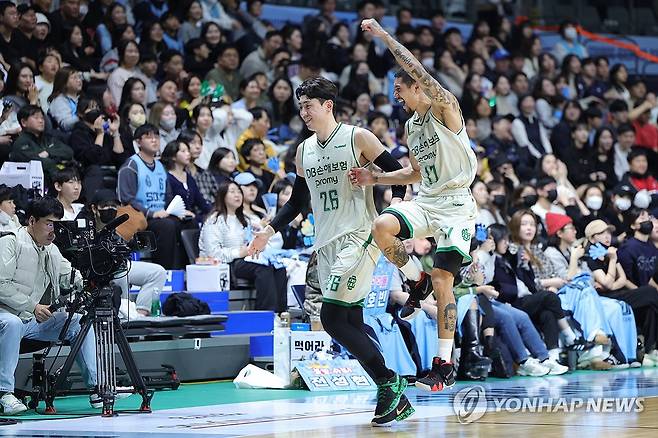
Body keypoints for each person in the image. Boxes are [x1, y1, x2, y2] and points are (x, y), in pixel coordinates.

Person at [248, 77, 414, 426]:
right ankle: (392, 397)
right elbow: (297, 202)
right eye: (301, 106)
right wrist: (269, 230)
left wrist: (394, 212)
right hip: (325, 243)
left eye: (309, 105)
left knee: (332, 318)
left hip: (359, 236)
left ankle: (389, 381)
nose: (303, 112)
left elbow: (399, 174)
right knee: (350, 320)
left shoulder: (358, 137)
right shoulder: (304, 151)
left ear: (327, 105)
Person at [348, 18, 487, 393]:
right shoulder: (411, 127)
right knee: (382, 227)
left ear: (417, 88)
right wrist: (374, 179)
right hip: (427, 199)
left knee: (446, 282)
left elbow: (418, 68)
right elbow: (415, 174)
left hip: (457, 205)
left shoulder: (445, 108)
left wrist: (383, 36)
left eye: (400, 89)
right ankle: (415, 278)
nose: (397, 96)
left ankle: (443, 364)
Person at [0, 197, 101, 414]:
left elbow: (69, 276)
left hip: (32, 320)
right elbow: (0, 284)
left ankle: (97, 389)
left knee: (79, 322)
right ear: (32, 221)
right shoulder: (11, 241)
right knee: (12, 323)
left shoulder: (51, 249)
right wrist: (33, 305)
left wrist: (92, 273)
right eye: (48, 223)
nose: (52, 230)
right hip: (6, 315)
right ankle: (4, 394)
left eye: (56, 224)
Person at [199, 181, 287, 312]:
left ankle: (281, 314)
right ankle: (266, 315)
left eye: (239, 192)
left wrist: (262, 233)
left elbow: (269, 239)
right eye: (232, 191)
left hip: (248, 258)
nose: (237, 195)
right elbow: (213, 253)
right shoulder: (214, 220)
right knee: (263, 270)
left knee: (279, 267)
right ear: (222, 195)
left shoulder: (246, 218)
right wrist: (240, 252)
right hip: (228, 263)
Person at [85, 190, 168, 317]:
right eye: (106, 206)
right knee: (121, 275)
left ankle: (140, 314)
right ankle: (123, 314)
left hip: (117, 264)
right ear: (94, 208)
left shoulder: (115, 224)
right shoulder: (84, 224)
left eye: (113, 206)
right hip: (94, 270)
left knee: (158, 273)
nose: (110, 209)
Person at [117, 123, 188, 269]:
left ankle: (184, 271)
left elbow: (168, 196)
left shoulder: (160, 166)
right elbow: (126, 199)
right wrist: (152, 213)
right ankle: (164, 271)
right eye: (149, 137)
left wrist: (178, 211)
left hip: (162, 214)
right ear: (138, 142)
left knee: (189, 223)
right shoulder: (131, 165)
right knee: (167, 226)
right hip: (142, 216)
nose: (154, 140)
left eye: (157, 136)